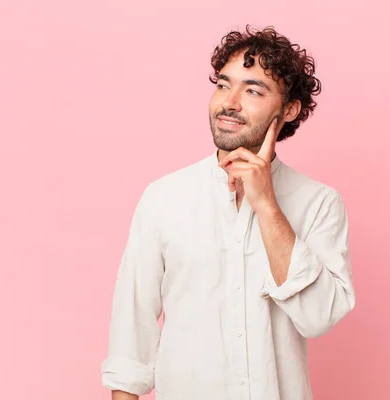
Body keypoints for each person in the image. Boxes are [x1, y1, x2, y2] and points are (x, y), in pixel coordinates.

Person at [101, 25, 356, 400]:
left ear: (289, 109)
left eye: (253, 90)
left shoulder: (319, 203)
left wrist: (266, 204)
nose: (230, 102)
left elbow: (318, 317)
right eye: (223, 85)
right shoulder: (164, 197)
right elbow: (131, 327)